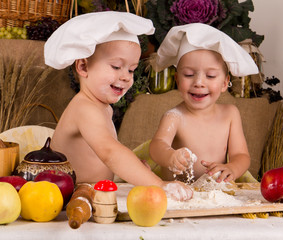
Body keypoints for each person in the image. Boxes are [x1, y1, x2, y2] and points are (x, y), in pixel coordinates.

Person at [44, 11, 193, 201]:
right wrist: (159, 185)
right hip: (70, 200)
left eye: (131, 69)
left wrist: (137, 171)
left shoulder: (102, 107)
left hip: (93, 195)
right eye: (116, 67)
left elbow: (107, 154)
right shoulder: (84, 108)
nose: (126, 76)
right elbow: (109, 152)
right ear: (83, 67)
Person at [149, 23, 259, 183]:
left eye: (211, 76)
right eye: (188, 74)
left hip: (213, 194)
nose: (199, 82)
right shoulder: (174, 117)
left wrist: (232, 168)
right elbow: (157, 146)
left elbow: (241, 155)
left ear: (224, 83)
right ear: (177, 80)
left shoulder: (230, 114)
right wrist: (169, 156)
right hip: (178, 193)